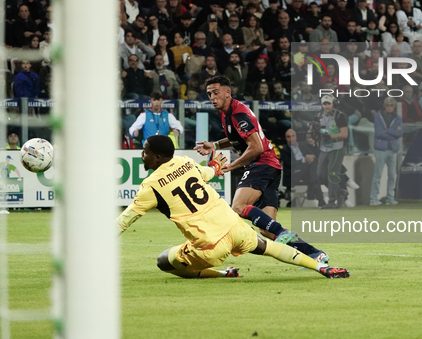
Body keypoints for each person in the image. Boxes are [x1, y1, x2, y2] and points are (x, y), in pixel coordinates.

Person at [117, 135, 348, 279]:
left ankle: (220, 273)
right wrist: (216, 169)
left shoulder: (150, 186)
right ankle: (321, 268)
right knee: (267, 246)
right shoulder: (184, 162)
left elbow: (124, 220)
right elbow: (204, 174)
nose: (142, 155)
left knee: (164, 262)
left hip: (210, 246)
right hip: (234, 227)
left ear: (157, 158)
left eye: (145, 151)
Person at [194, 76, 329, 263]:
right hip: (271, 166)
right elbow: (237, 138)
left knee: (238, 207)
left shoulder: (238, 113)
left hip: (262, 163)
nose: (212, 97)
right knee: (267, 229)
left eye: (216, 92)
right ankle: (315, 254)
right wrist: (215, 145)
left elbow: (256, 147)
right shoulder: (228, 111)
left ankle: (285, 235)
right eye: (209, 94)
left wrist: (232, 165)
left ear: (227, 92)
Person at [312, 94, 349, 210]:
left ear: (333, 104)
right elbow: (313, 131)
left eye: (329, 103)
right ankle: (340, 192)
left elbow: (344, 134)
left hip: (337, 147)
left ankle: (332, 201)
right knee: (320, 174)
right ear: (322, 105)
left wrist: (331, 137)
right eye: (325, 104)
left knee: (332, 173)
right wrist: (314, 134)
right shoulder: (318, 116)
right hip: (324, 148)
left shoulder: (340, 115)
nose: (327, 106)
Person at [370, 97, 403, 206]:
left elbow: (400, 133)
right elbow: (379, 133)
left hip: (392, 149)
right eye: (388, 105)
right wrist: (393, 133)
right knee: (378, 174)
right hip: (381, 149)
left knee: (392, 175)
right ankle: (373, 198)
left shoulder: (397, 117)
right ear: (384, 106)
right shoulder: (378, 116)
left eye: (391, 105)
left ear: (394, 106)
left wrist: (387, 131)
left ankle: (390, 197)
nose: (389, 107)